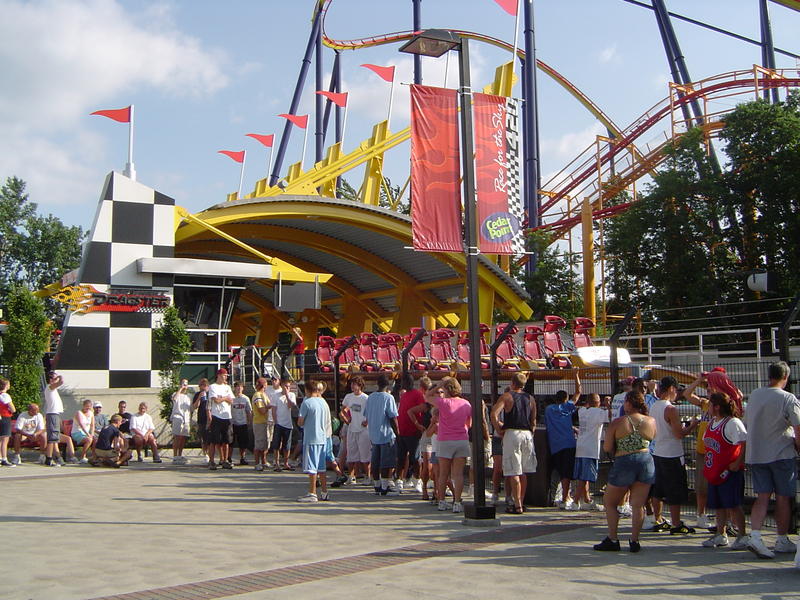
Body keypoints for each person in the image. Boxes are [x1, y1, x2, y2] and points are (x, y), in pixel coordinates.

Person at [743, 361, 800, 559]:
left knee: (762, 496)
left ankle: (756, 535)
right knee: (784, 497)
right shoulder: (788, 398)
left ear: (770, 376)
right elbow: (798, 428)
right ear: (786, 377)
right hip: (781, 453)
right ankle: (782, 538)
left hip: (757, 454)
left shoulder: (756, 395)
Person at [594, 391, 656, 553]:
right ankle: (634, 540)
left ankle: (613, 539)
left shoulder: (618, 422)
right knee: (638, 505)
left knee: (610, 502)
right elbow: (652, 439)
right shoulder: (651, 421)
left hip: (624, 461)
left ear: (628, 403)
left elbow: (607, 447)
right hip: (645, 460)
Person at [682, 369, 743, 530]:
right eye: (707, 390)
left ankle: (731, 524)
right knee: (702, 486)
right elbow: (687, 394)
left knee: (726, 492)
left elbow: (738, 395)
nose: (709, 392)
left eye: (711, 389)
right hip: (705, 451)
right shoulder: (705, 404)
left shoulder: (726, 408)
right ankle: (702, 516)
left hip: (721, 454)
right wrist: (699, 380)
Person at [701, 392, 749, 550]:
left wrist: (737, 462)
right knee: (719, 505)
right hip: (715, 471)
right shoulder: (713, 422)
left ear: (717, 406)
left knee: (733, 504)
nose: (708, 408)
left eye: (710, 405)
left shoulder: (733, 423)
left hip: (729, 472)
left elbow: (743, 442)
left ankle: (742, 535)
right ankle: (721, 534)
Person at [650, 376, 694, 534]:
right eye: (676, 390)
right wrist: (691, 426)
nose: (677, 393)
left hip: (658, 451)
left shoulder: (654, 406)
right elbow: (678, 434)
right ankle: (676, 523)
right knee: (675, 490)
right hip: (673, 453)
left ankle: (658, 519)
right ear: (670, 389)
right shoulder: (671, 409)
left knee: (659, 489)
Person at [491, 372, 537, 514]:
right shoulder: (531, 398)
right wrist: (532, 432)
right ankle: (521, 502)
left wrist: (499, 429)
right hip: (527, 434)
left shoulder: (507, 396)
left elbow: (494, 413)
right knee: (524, 471)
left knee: (513, 470)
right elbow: (534, 420)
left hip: (512, 433)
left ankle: (516, 504)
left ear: (512, 383)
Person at [424, 377, 471, 513]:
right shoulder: (466, 404)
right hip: (461, 439)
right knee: (458, 474)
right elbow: (469, 424)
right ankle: (457, 502)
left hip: (445, 440)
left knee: (443, 473)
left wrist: (438, 384)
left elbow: (427, 396)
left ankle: (442, 501)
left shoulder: (444, 403)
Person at [545, 373, 580, 509]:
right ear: (566, 399)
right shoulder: (567, 408)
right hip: (569, 443)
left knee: (556, 472)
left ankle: (557, 496)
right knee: (566, 473)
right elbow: (578, 392)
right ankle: (566, 497)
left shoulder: (549, 410)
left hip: (554, 445)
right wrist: (576, 375)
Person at [364, 374, 400, 497]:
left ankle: (377, 485)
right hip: (386, 434)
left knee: (375, 461)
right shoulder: (388, 398)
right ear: (388, 384)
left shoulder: (370, 397)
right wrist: (398, 432)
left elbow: (366, 414)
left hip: (373, 433)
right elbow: (392, 417)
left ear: (377, 383)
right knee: (386, 462)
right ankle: (385, 486)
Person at [573, 389, 610, 511]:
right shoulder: (599, 413)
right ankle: (576, 501)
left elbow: (587, 405)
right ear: (598, 402)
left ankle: (587, 499)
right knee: (585, 477)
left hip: (581, 446)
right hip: (591, 448)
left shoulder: (582, 411)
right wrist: (608, 405)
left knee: (582, 476)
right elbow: (609, 416)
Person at [297, 381, 331, 502]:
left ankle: (312, 493)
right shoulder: (323, 402)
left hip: (311, 438)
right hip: (323, 438)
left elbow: (300, 421)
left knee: (312, 467)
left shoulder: (307, 403)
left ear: (307, 390)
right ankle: (324, 492)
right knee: (321, 467)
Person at [396, 374, 428, 492]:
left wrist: (418, 426)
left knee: (415, 458)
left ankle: (417, 480)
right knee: (401, 457)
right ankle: (399, 481)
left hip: (413, 432)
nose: (404, 384)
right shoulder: (404, 396)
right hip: (402, 431)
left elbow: (423, 409)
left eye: (406, 382)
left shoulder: (417, 394)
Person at [341, 376, 371, 484]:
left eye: (355, 384)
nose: (352, 386)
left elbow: (370, 412)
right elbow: (343, 410)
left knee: (365, 455)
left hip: (363, 430)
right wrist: (346, 419)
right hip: (352, 429)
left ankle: (368, 477)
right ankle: (351, 477)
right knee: (351, 454)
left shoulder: (366, 398)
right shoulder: (348, 397)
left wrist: (367, 421)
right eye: (352, 384)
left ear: (360, 385)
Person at [43, 372, 76, 466]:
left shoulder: (53, 389)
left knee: (54, 438)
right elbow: (61, 381)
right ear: (51, 379)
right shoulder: (50, 387)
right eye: (54, 378)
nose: (56, 379)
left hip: (55, 414)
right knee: (52, 438)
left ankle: (57, 457)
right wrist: (59, 377)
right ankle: (48, 459)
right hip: (52, 414)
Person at [208, 368, 234, 470]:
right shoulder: (213, 387)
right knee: (214, 441)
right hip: (216, 416)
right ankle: (212, 461)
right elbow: (216, 400)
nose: (225, 377)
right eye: (224, 375)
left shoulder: (227, 387)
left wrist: (225, 398)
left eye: (226, 375)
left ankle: (225, 460)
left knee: (226, 440)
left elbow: (231, 400)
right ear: (219, 375)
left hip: (226, 417)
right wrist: (225, 398)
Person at [269, 377, 296, 471]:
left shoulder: (292, 395)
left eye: (289, 387)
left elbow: (290, 406)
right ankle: (276, 463)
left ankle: (286, 463)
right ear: (281, 386)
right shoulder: (275, 395)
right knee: (276, 444)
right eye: (285, 386)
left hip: (288, 424)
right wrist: (276, 421)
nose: (287, 388)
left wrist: (287, 395)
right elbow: (273, 410)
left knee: (287, 445)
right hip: (279, 423)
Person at [251, 377, 273, 471]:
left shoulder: (264, 394)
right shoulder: (257, 395)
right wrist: (269, 407)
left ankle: (263, 461)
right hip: (259, 422)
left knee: (265, 443)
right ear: (264, 385)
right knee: (259, 444)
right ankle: (257, 463)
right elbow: (262, 410)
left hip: (265, 421)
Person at [231, 381, 253, 465]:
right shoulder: (231, 398)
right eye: (237, 387)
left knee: (243, 443)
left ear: (243, 388)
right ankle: (229, 458)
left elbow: (249, 411)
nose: (239, 388)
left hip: (243, 423)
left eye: (241, 387)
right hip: (233, 422)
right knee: (231, 442)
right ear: (234, 388)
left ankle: (242, 458)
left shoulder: (245, 398)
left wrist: (250, 421)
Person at [171, 379, 192, 464]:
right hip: (177, 416)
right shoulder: (176, 394)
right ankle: (175, 456)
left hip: (186, 418)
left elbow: (190, 408)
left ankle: (180, 455)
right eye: (183, 384)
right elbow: (174, 398)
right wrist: (180, 389)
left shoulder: (188, 396)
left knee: (183, 437)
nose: (185, 386)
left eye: (186, 384)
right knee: (177, 436)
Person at [191, 378, 211, 462]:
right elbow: (194, 407)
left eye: (205, 386)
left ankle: (210, 455)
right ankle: (205, 454)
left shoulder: (211, 394)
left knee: (210, 438)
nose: (203, 388)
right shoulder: (197, 394)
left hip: (210, 418)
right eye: (201, 386)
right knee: (203, 437)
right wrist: (199, 397)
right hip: (201, 418)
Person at [71, 399, 95, 463]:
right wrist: (88, 435)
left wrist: (92, 434)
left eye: (89, 407)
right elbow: (81, 425)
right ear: (83, 406)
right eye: (86, 406)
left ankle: (95, 456)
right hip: (77, 432)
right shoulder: (79, 413)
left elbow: (92, 425)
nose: (88, 408)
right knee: (89, 440)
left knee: (95, 439)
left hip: (86, 434)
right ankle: (82, 456)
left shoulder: (91, 413)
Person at [0, 377, 16, 467]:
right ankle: (4, 458)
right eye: (8, 384)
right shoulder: (5, 396)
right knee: (4, 440)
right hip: (5, 417)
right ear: (5, 386)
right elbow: (13, 409)